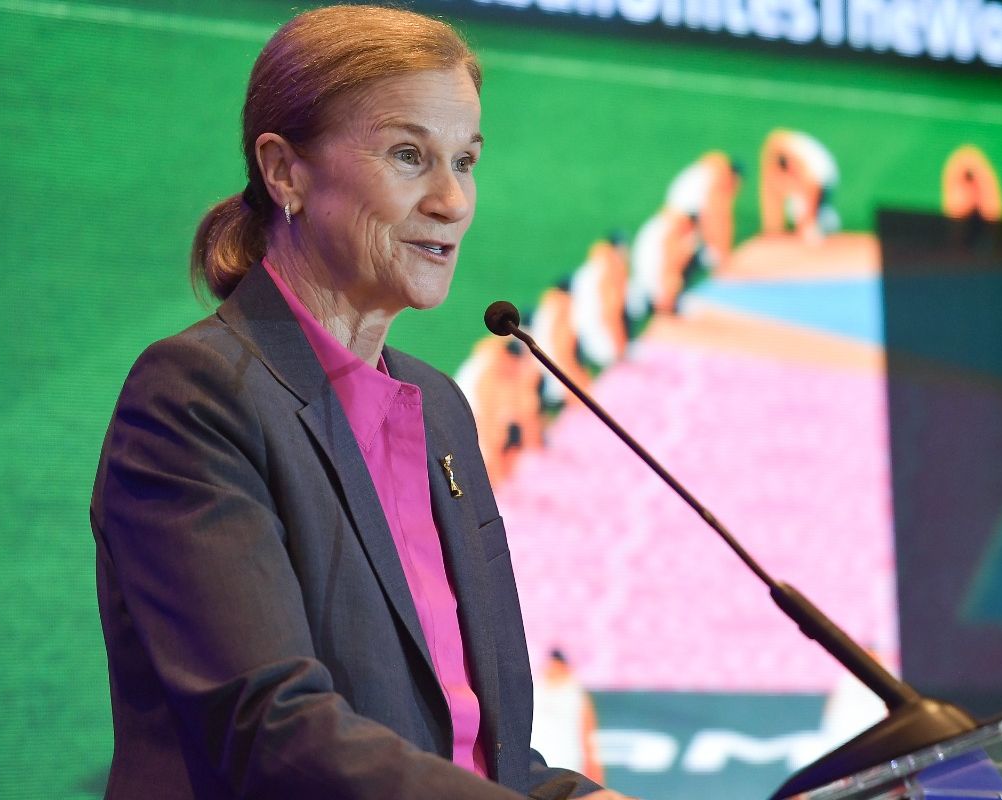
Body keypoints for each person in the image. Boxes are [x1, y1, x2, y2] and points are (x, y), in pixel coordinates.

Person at [90, 7, 630, 798]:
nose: (453, 200)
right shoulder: (197, 397)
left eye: (466, 161)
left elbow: (481, 757)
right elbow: (272, 731)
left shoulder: (440, 410)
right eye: (410, 156)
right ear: (285, 172)